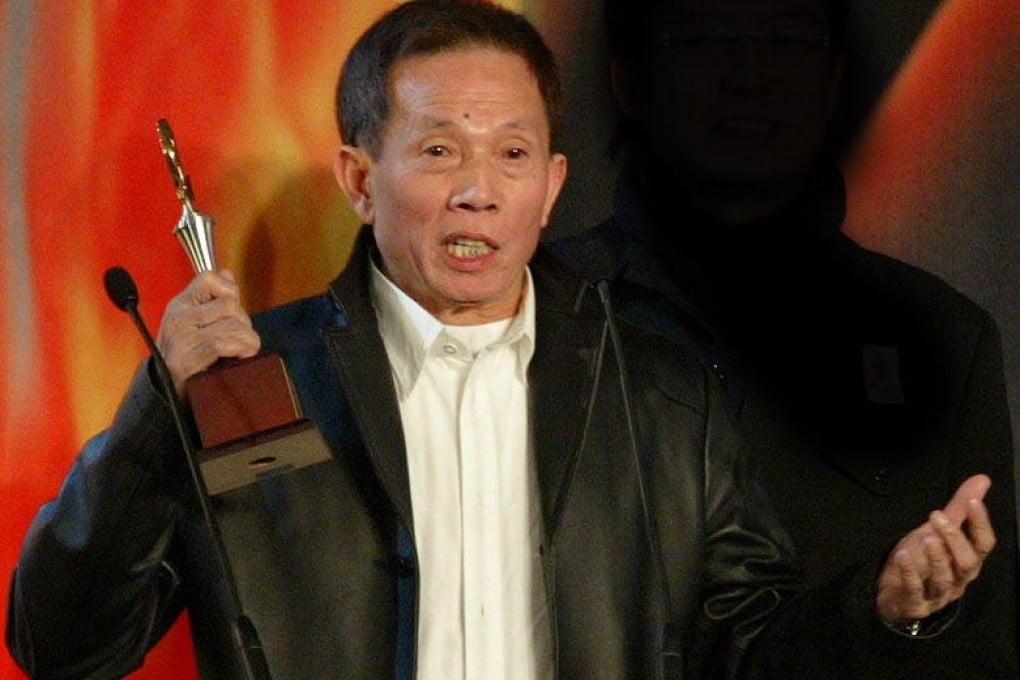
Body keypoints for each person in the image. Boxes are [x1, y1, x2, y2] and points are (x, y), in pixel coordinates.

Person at [5, 1, 998, 678]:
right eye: (440, 149)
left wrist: (881, 605)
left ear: (554, 185)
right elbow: (64, 646)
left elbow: (746, 651)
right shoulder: (255, 386)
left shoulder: (656, 386)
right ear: (359, 178)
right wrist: (152, 420)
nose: (479, 186)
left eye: (512, 153)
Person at [553, 0, 1018, 676]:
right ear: (631, 83)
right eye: (705, 39)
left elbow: (985, 644)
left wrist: (914, 611)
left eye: (784, 40)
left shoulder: (945, 336)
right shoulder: (532, 311)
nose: (748, 76)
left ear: (831, 85)